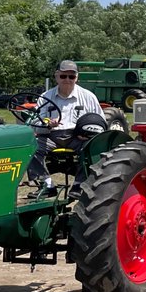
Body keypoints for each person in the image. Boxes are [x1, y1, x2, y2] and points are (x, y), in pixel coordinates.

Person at [27, 60, 104, 195]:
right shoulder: (45, 97)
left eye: (71, 76)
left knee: (91, 147)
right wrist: (47, 125)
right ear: (56, 76)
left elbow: (100, 121)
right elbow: (35, 123)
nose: (67, 80)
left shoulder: (88, 97)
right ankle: (47, 185)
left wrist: (87, 133)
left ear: (77, 77)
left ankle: (80, 185)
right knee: (30, 148)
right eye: (63, 76)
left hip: (77, 137)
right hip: (51, 136)